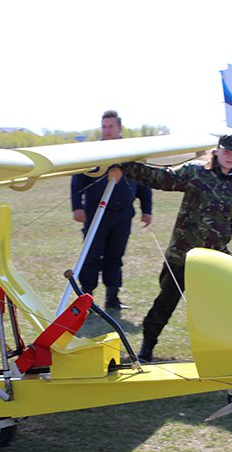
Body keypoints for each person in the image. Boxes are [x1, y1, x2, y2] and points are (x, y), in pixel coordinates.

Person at [115, 133, 232, 362]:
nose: (230, 157)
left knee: (220, 309)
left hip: (215, 262)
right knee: (165, 304)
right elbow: (161, 178)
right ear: (216, 151)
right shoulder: (195, 172)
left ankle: (223, 354)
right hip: (180, 256)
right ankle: (146, 350)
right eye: (226, 152)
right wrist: (124, 166)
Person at [70, 110, 152, 310]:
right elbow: (77, 180)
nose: (107, 130)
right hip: (96, 213)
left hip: (123, 214)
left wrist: (147, 210)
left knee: (115, 256)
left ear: (119, 128)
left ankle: (112, 299)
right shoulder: (93, 151)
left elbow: (143, 182)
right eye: (104, 126)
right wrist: (77, 208)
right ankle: (86, 300)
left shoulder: (131, 152)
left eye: (111, 126)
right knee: (91, 255)